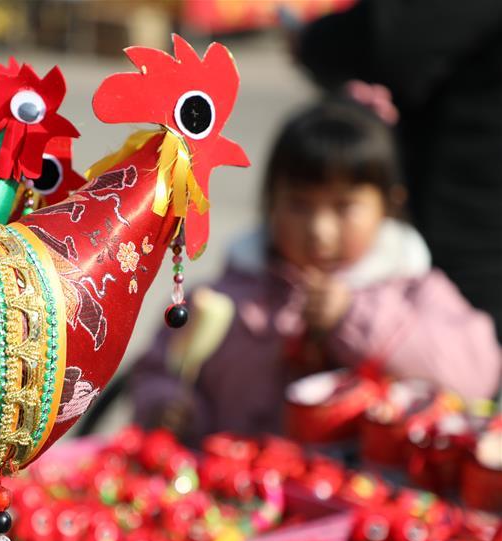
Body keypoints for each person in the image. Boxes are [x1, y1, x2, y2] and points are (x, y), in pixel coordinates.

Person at [130, 101, 501, 444]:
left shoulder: (413, 291)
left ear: (389, 205)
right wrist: (167, 406)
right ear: (270, 202)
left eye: (343, 207)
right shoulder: (229, 293)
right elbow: (158, 369)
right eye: (300, 205)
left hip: (366, 499)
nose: (320, 230)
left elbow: (476, 376)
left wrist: (354, 319)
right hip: (234, 490)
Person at [295, 0, 502, 341]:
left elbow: (389, 40)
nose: (319, 230)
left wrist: (312, 41)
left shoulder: (419, 275)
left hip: (463, 224)